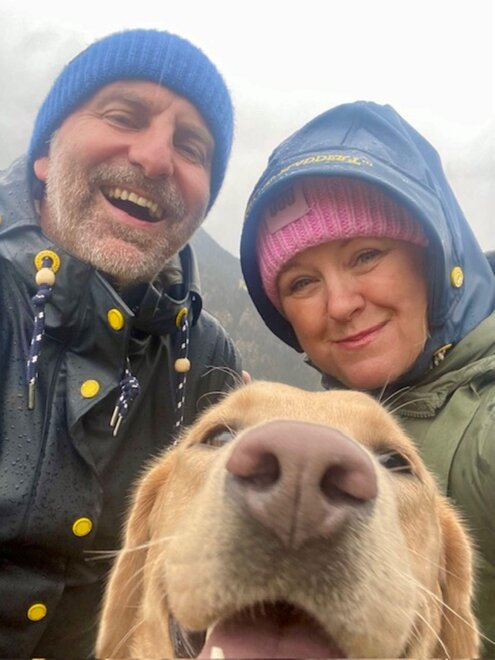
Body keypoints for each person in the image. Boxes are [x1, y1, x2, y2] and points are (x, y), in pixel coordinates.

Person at [0, 28, 243, 658]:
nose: (156, 157)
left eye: (191, 146)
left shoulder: (206, 361)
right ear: (45, 154)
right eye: (123, 115)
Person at [240, 100, 495, 655]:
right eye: (302, 283)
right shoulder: (328, 429)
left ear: (431, 258)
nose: (340, 304)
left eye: (366, 255)